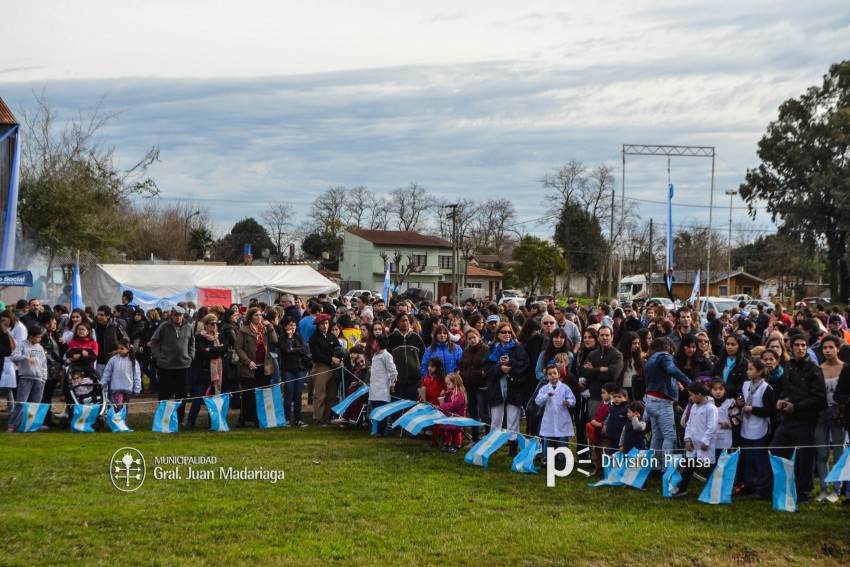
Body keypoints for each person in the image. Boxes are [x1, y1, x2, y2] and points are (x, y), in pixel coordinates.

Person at [771, 334, 828, 504]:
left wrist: (797, 407)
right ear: (791, 347)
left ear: (807, 347)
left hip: (805, 421)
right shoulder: (788, 365)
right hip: (787, 420)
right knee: (776, 451)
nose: (800, 348)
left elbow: (820, 400)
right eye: (797, 345)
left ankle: (804, 492)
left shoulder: (814, 369)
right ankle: (785, 486)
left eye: (804, 345)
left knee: (805, 459)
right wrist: (781, 399)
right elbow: (784, 389)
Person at [643, 337, 692, 469]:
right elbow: (671, 369)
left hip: (650, 401)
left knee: (657, 435)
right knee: (669, 436)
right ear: (667, 347)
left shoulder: (650, 360)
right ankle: (666, 467)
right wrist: (688, 382)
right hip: (662, 402)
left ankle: (653, 465)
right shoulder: (664, 356)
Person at [483, 322, 530, 456]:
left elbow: (524, 364)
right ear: (498, 334)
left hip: (513, 388)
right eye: (504, 332)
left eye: (509, 332)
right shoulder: (492, 348)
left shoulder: (517, 348)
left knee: (513, 420)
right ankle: (493, 447)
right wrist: (500, 368)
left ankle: (513, 448)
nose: (507, 334)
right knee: (496, 420)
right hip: (496, 388)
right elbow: (486, 367)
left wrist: (510, 363)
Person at [814, 335, 848, 502]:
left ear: (838, 349)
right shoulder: (818, 369)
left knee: (839, 452)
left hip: (839, 414)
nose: (827, 350)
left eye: (831, 347)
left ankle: (837, 489)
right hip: (821, 414)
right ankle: (823, 488)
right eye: (825, 348)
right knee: (822, 454)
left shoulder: (845, 368)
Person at [671, 382, 718, 498]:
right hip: (693, 445)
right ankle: (682, 489)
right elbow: (689, 424)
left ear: (699, 394)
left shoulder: (711, 408)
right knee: (689, 467)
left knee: (708, 468)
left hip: (705, 446)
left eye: (692, 395)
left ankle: (711, 492)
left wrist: (706, 441)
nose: (690, 397)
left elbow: (712, 426)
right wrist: (687, 440)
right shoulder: (694, 407)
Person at [151, 305, 196, 425]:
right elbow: (154, 341)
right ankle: (163, 417)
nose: (178, 318)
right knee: (164, 394)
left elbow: (192, 343)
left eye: (180, 315)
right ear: (172, 315)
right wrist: (158, 356)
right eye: (176, 315)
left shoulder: (188, 327)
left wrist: (190, 356)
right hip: (165, 366)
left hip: (183, 366)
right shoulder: (164, 326)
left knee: (182, 394)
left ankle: (179, 418)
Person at [738, 357, 776, 499]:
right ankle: (748, 486)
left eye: (751, 369)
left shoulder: (766, 388)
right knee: (748, 458)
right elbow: (742, 398)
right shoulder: (746, 385)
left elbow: (770, 410)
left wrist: (753, 409)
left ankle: (762, 488)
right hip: (746, 426)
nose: (748, 372)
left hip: (759, 427)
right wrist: (740, 402)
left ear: (760, 372)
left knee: (759, 459)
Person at [235, 306, 278, 427]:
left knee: (262, 393)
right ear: (250, 317)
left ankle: (260, 418)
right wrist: (248, 361)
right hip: (249, 367)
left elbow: (275, 341)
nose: (259, 317)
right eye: (256, 315)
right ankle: (244, 418)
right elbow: (238, 348)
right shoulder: (244, 330)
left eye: (260, 315)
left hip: (264, 366)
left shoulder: (264, 329)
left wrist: (270, 326)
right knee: (248, 394)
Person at [187, 314, 228, 429]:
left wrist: (212, 349)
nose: (215, 326)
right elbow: (202, 353)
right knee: (198, 397)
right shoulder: (199, 338)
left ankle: (213, 422)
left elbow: (225, 349)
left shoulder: (220, 337)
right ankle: (191, 422)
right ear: (205, 325)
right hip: (203, 371)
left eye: (216, 323)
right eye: (212, 323)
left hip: (218, 372)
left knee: (215, 398)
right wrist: (217, 351)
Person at [7, 325, 48, 432]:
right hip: (25, 378)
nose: (39, 339)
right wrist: (26, 358)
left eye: (40, 337)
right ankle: (13, 425)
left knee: (35, 403)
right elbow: (13, 357)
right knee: (21, 402)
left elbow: (44, 364)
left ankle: (33, 424)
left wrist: (44, 378)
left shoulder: (40, 348)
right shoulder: (22, 345)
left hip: (39, 379)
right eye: (37, 337)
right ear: (30, 336)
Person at [580, 325, 623, 422]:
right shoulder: (593, 354)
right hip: (594, 398)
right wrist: (600, 369)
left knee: (607, 430)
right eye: (602, 335)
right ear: (598, 338)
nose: (605, 338)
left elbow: (613, 374)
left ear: (612, 337)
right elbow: (585, 372)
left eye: (607, 335)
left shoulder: (617, 355)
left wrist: (593, 370)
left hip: (610, 400)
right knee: (593, 428)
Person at [535, 364, 576, 464]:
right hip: (549, 420)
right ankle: (548, 461)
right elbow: (538, 401)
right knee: (548, 442)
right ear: (547, 376)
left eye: (554, 373)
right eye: (550, 374)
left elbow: (573, 399)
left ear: (559, 374)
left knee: (562, 442)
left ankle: (564, 462)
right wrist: (546, 396)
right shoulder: (544, 389)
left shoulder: (565, 388)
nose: (552, 376)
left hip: (562, 419)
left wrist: (568, 402)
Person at [278, 315, 311, 427]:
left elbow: (305, 349)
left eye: (294, 325)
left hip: (300, 368)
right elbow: (286, 350)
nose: (293, 327)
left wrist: (294, 349)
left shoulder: (299, 336)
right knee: (288, 394)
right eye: (290, 325)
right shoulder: (282, 338)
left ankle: (298, 419)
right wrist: (289, 339)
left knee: (298, 395)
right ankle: (286, 419)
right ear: (285, 326)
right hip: (288, 369)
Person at [309, 313, 342, 426]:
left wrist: (338, 359)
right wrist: (330, 359)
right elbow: (316, 355)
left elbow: (339, 349)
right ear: (318, 325)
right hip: (321, 367)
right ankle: (318, 418)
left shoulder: (332, 336)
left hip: (333, 367)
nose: (325, 326)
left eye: (326, 323)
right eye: (322, 324)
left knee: (332, 394)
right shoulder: (314, 338)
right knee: (320, 394)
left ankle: (326, 417)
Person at [457, 328, 489, 442]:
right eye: (469, 338)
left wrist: (470, 373)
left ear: (478, 336)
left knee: (485, 414)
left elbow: (486, 369)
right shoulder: (466, 351)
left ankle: (488, 439)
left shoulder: (486, 350)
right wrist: (459, 371)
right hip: (469, 386)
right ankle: (475, 439)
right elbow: (461, 366)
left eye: (474, 337)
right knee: (473, 414)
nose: (472, 340)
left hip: (482, 386)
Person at [388, 313, 425, 403]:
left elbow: (423, 357)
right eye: (402, 321)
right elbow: (387, 359)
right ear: (397, 323)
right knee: (397, 409)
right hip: (397, 381)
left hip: (415, 381)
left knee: (412, 408)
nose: (405, 323)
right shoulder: (391, 338)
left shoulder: (416, 337)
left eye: (407, 320)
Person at [367, 334, 398, 437]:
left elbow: (393, 371)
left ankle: (381, 431)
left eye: (375, 342)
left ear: (378, 343)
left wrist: (392, 384)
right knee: (375, 409)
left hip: (382, 389)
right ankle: (375, 430)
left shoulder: (386, 355)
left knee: (381, 411)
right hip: (374, 389)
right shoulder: (376, 355)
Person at [100, 340, 142, 412]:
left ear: (128, 349)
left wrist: (137, 389)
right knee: (118, 405)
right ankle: (116, 420)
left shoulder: (133, 361)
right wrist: (102, 383)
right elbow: (107, 372)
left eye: (122, 348)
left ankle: (122, 422)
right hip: (116, 388)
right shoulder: (113, 360)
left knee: (125, 407)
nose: (119, 350)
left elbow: (137, 376)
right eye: (118, 348)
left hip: (128, 388)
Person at [438, 372, 468, 453]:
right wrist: (443, 395)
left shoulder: (459, 394)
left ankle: (457, 445)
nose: (447, 386)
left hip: (457, 416)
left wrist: (443, 405)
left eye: (448, 384)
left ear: (455, 383)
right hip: (449, 416)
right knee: (448, 430)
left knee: (456, 431)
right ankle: (448, 443)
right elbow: (447, 401)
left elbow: (454, 405)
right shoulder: (450, 392)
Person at [709, 379, 734, 460]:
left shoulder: (730, 403)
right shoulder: (707, 404)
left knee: (723, 462)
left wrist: (728, 423)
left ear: (725, 390)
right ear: (710, 391)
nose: (718, 392)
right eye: (715, 389)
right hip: (710, 439)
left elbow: (737, 417)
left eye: (720, 389)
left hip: (725, 438)